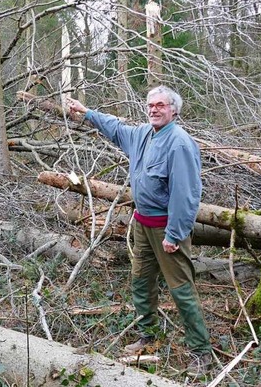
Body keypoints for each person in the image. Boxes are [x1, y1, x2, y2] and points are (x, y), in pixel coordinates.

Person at [66, 86, 212, 375]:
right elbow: (116, 127)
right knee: (141, 282)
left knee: (181, 289)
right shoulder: (143, 134)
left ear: (174, 110)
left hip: (167, 231)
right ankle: (149, 337)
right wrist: (86, 113)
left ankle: (200, 351)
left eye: (160, 105)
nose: (154, 109)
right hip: (142, 225)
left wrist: (175, 233)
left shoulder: (180, 144)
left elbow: (187, 194)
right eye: (150, 105)